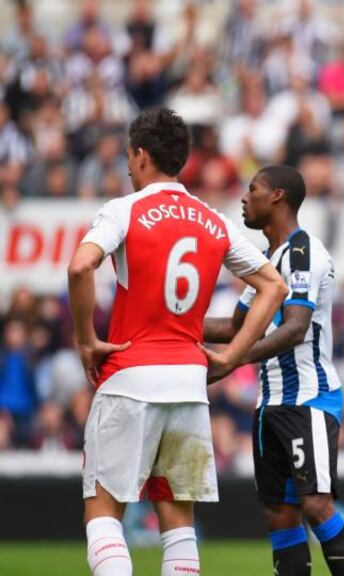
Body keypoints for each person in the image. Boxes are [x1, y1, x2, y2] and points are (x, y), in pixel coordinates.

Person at [68, 107, 287, 576]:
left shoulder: (124, 209)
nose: (128, 166)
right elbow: (275, 286)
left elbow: (79, 266)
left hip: (130, 376)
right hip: (189, 385)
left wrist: (87, 340)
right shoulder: (213, 219)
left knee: (103, 515)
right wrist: (232, 354)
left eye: (130, 156)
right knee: (179, 525)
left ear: (142, 156)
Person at [203, 165, 344, 576]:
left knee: (316, 505)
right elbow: (235, 328)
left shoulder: (303, 253)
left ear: (277, 197)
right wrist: (172, 322)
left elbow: (295, 327)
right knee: (279, 513)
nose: (243, 197)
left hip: (308, 398)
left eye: (252, 189)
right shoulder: (268, 263)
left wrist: (231, 359)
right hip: (269, 402)